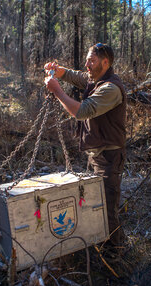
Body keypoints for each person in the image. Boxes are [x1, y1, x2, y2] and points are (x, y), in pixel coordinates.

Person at [44, 43, 126, 247]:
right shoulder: (96, 79)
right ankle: (96, 245)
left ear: (105, 62)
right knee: (92, 204)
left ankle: (114, 257)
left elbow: (81, 111)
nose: (87, 64)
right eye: (87, 60)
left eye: (92, 61)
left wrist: (57, 91)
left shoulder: (110, 88)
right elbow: (76, 76)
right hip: (96, 155)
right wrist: (59, 71)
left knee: (107, 210)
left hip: (109, 157)